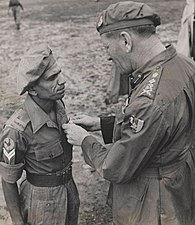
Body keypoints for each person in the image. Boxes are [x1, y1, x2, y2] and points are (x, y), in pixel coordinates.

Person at [63, 1, 195, 225]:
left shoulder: (150, 99)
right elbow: (161, 127)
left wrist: (84, 140)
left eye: (106, 47)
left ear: (125, 41)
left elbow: (115, 167)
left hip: (154, 204)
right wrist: (101, 124)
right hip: (179, 187)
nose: (107, 56)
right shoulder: (184, 65)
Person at [0, 44, 80, 225]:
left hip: (69, 191)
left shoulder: (58, 104)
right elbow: (8, 180)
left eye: (58, 73)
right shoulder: (17, 129)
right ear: (33, 89)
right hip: (41, 202)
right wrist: (17, 221)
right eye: (52, 78)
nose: (62, 81)